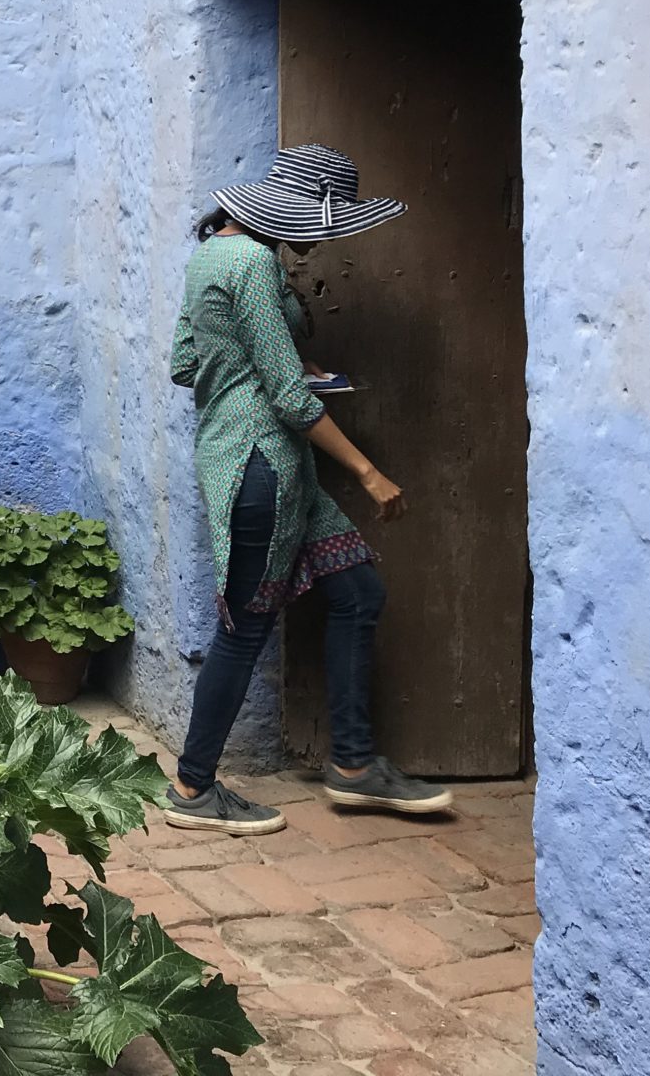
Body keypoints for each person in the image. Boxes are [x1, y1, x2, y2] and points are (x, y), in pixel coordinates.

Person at [162, 144, 452, 834]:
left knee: (358, 593)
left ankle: (353, 766)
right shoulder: (256, 263)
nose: (317, 244)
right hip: (260, 465)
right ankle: (193, 787)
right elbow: (289, 399)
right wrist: (367, 470)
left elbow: (185, 363)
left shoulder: (211, 253)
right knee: (246, 627)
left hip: (274, 466)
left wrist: (274, 363)